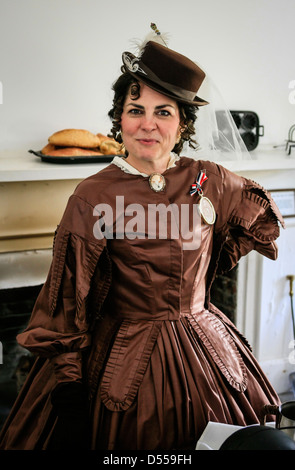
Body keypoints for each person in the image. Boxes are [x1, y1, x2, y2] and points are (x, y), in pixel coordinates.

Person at [0, 33, 285, 451]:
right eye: (136, 110)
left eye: (163, 112)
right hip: (122, 358)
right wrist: (68, 378)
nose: (147, 124)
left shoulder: (211, 178)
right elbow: (66, 294)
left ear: (182, 123)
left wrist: (204, 272)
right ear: (119, 118)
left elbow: (257, 214)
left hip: (205, 349)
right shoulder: (93, 195)